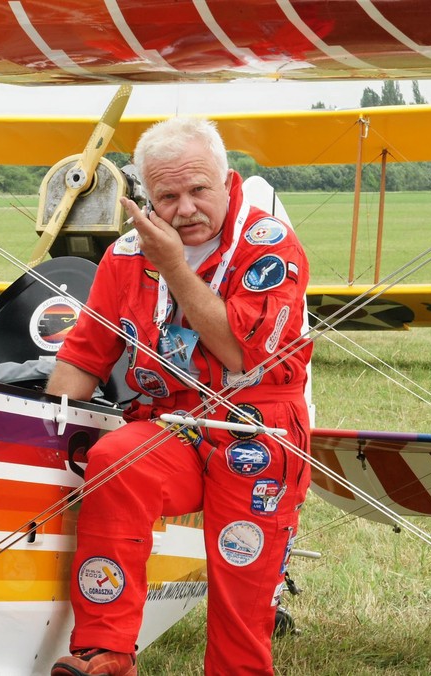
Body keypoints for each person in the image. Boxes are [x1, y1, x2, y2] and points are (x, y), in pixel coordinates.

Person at [47, 117, 312, 676]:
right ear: (145, 197)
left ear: (226, 181)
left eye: (198, 190)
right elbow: (83, 353)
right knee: (114, 460)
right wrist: (45, 432)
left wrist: (172, 266)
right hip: (173, 420)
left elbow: (242, 356)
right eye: (168, 196)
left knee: (241, 581)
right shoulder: (124, 255)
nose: (186, 209)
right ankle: (107, 650)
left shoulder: (269, 245)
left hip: (258, 427)